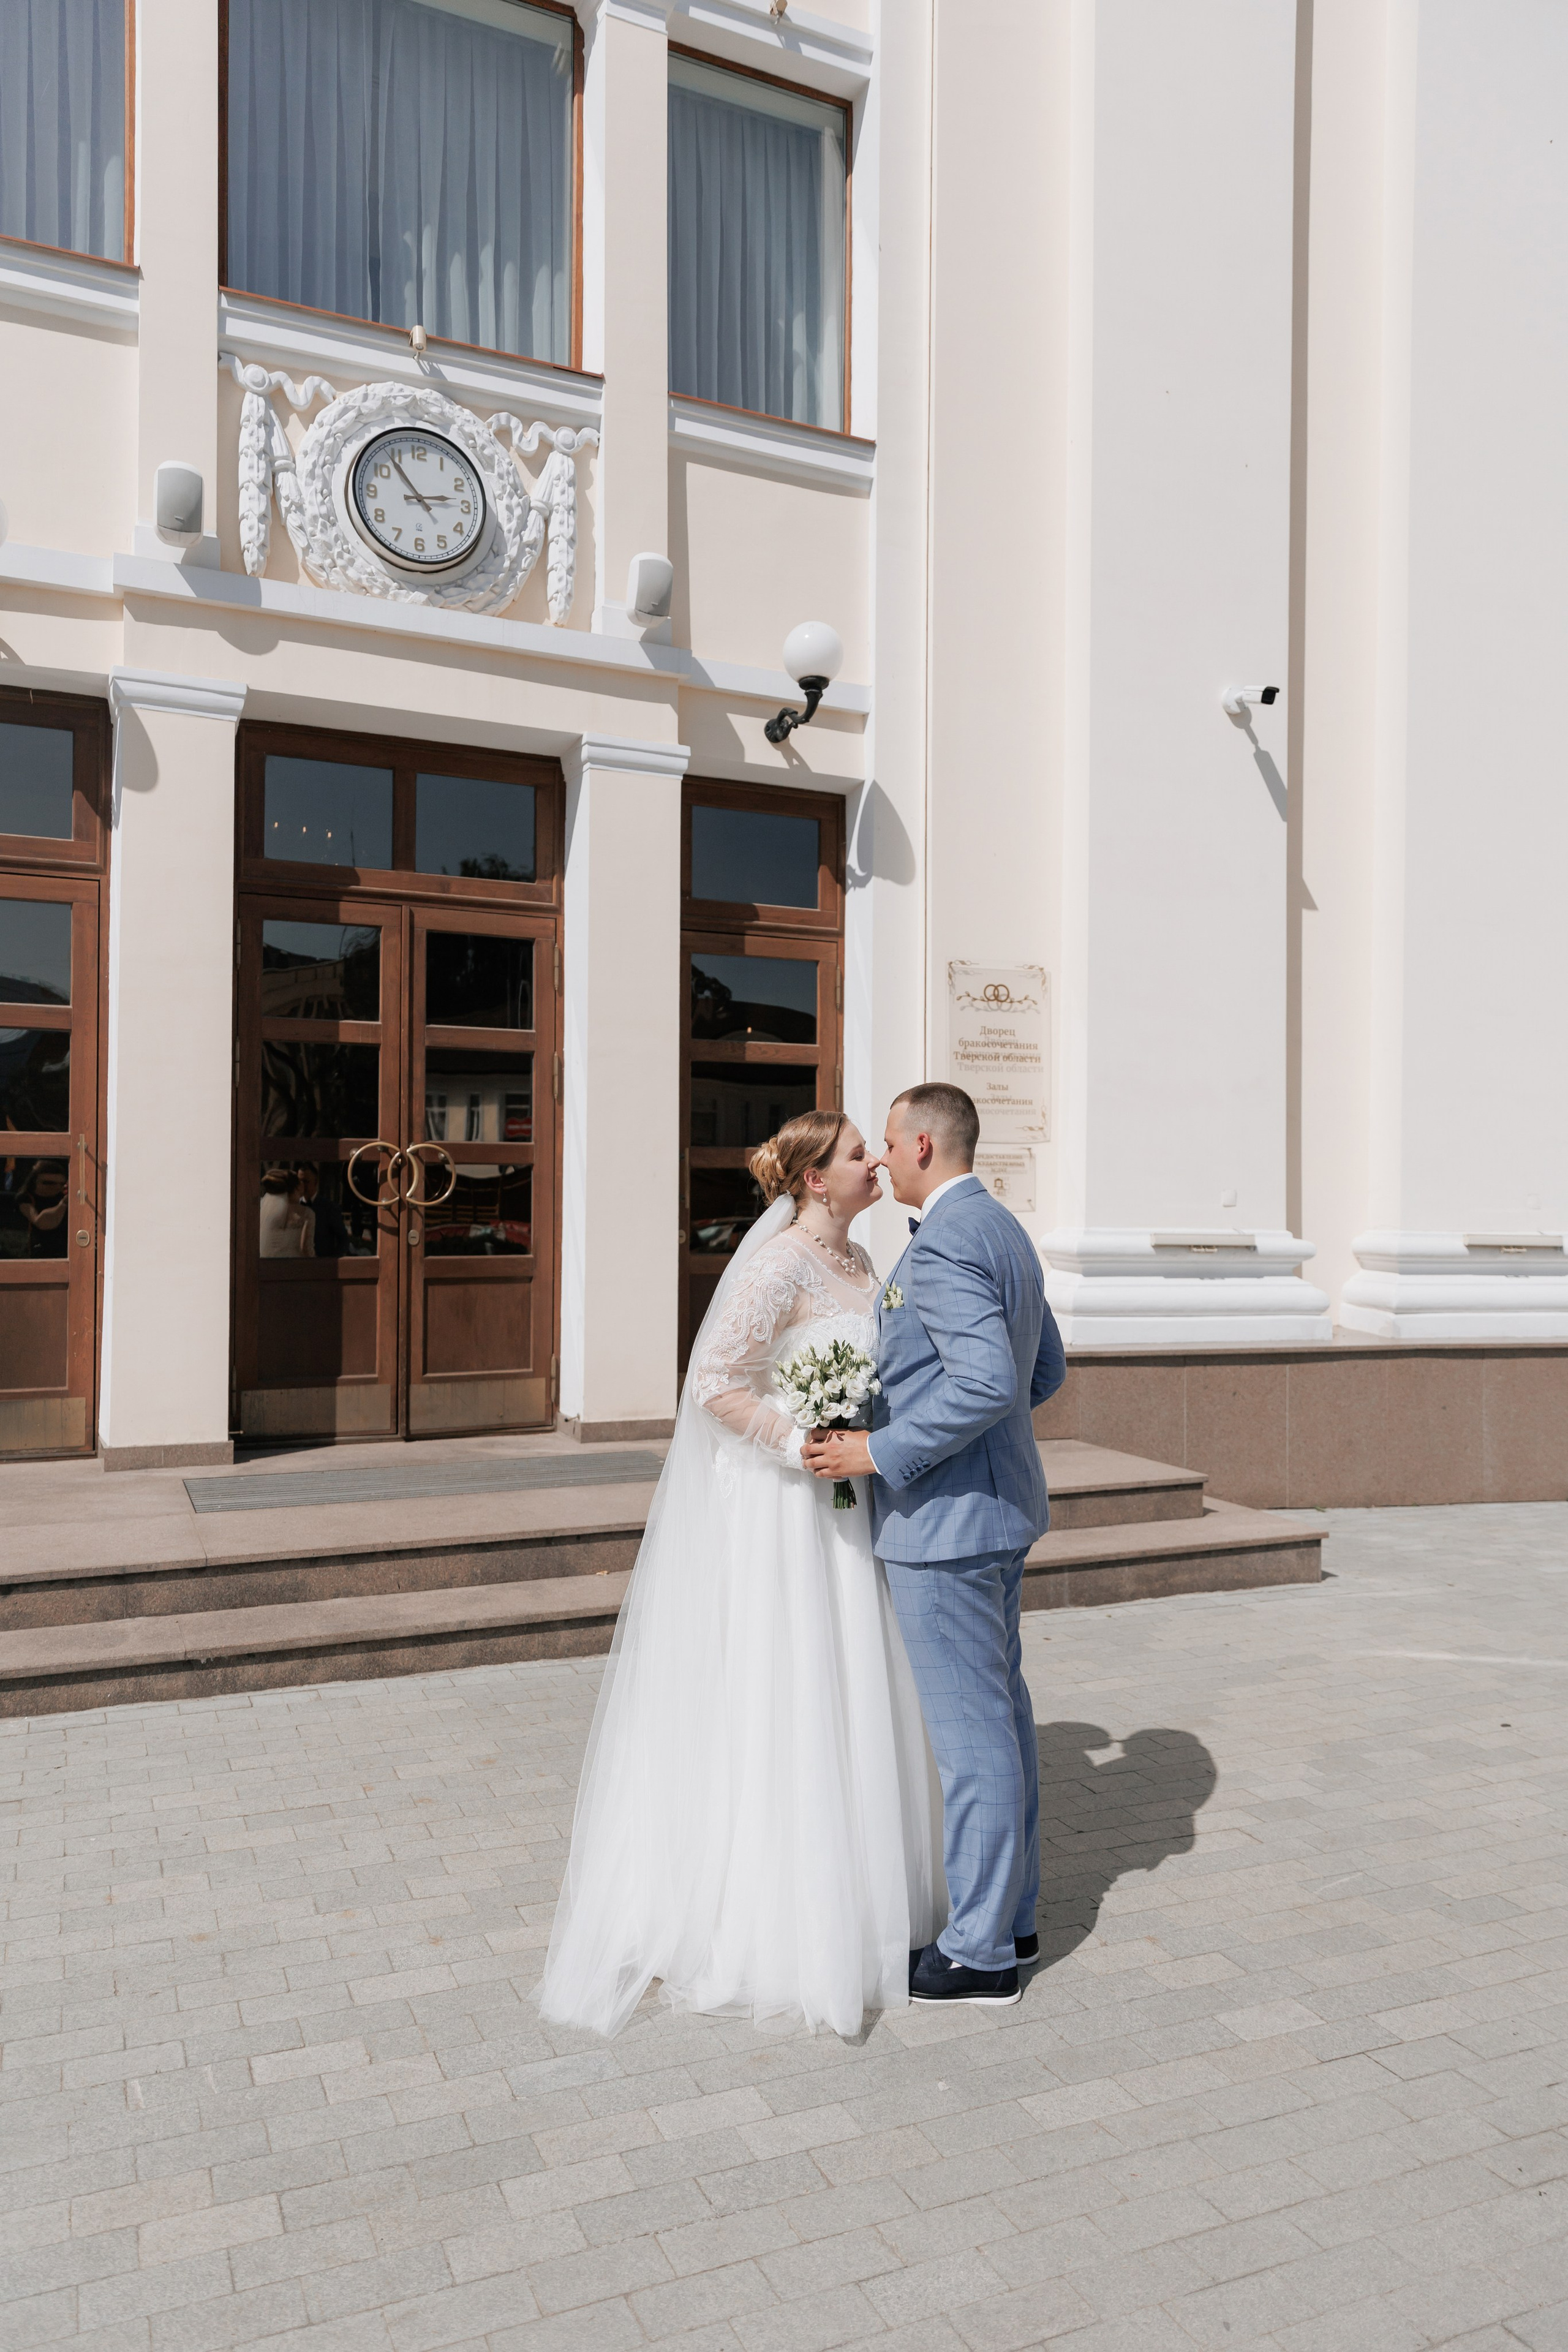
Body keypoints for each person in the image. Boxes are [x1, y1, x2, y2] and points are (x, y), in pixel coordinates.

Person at [539, 1109, 944, 2038]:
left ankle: (866, 1894)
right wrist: (803, 1440)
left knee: (850, 1685)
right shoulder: (779, 1265)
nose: (874, 1163)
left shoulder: (856, 1263)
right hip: (785, 1507)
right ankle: (777, 1919)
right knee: (789, 1688)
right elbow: (714, 1381)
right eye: (856, 1156)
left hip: (847, 1499)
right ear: (814, 1180)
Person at [805, 1082, 1067, 2008]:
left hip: (947, 1525)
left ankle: (982, 1951)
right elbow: (1046, 1368)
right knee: (1001, 1721)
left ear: (922, 1145)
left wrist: (879, 1449)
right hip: (996, 1513)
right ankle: (1015, 1914)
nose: (878, 1158)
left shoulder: (951, 1240)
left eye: (885, 1142)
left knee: (973, 1741)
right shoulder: (1003, 1227)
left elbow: (993, 1378)